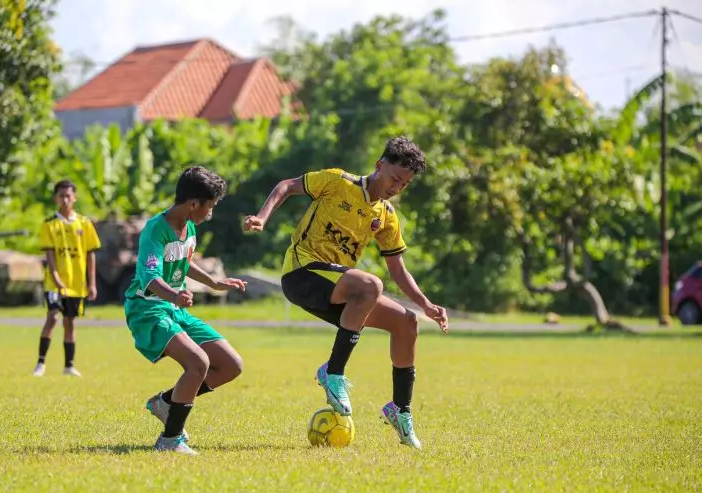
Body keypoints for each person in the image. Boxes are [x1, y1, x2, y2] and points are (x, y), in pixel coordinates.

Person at [244, 136, 449, 449]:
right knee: (370, 285)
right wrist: (262, 217)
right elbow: (286, 185)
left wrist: (426, 304)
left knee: (407, 322)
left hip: (341, 291)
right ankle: (333, 372)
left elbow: (398, 269)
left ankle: (400, 410)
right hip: (303, 274)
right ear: (379, 165)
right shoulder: (337, 182)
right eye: (394, 178)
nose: (396, 188)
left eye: (404, 184)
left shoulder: (387, 216)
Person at [124, 166, 247, 455]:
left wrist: (214, 282)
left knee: (231, 365)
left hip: (171, 307)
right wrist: (174, 295)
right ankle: (169, 440)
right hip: (148, 309)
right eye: (210, 206)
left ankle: (166, 403)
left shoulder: (188, 227)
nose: (211, 213)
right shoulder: (155, 230)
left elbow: (182, 262)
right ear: (194, 204)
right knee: (198, 363)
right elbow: (150, 278)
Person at [33, 180, 101, 377]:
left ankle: (69, 366)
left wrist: (92, 283)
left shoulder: (85, 224)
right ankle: (40, 363)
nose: (65, 199)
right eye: (61, 195)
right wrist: (56, 277)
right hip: (54, 283)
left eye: (68, 196)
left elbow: (91, 254)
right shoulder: (50, 225)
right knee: (53, 317)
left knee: (70, 322)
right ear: (56, 198)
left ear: (74, 198)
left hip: (76, 284)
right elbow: (50, 256)